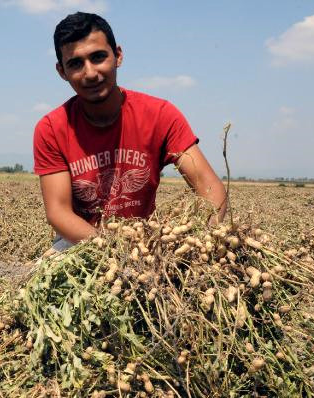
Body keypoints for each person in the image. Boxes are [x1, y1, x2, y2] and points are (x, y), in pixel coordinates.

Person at [33, 12, 226, 253]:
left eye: (98, 57)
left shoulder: (160, 115)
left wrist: (202, 242)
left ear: (118, 56)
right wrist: (114, 252)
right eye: (76, 63)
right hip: (81, 245)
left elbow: (211, 188)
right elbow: (58, 212)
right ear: (62, 71)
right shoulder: (52, 128)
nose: (90, 73)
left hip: (146, 243)